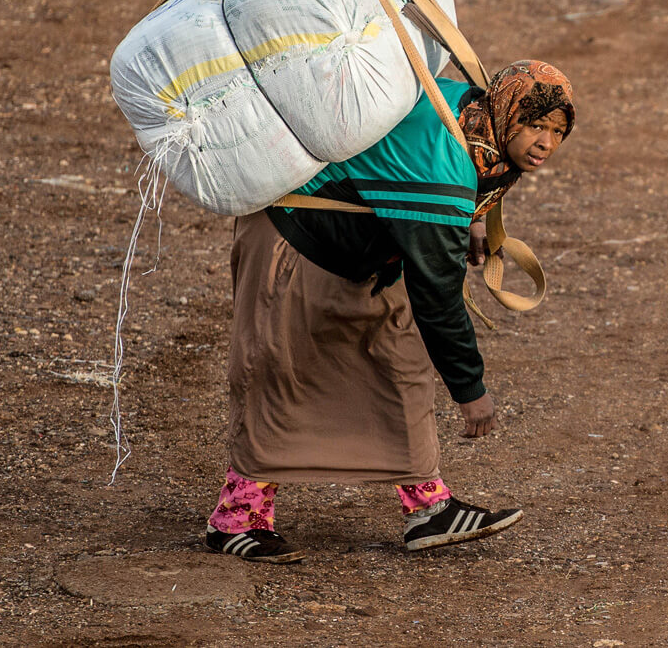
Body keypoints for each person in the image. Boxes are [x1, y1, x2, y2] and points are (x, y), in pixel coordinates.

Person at [203, 60, 576, 562]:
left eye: (557, 130)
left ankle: (428, 508)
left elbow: (411, 180)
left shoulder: (465, 108)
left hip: (363, 248)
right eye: (535, 125)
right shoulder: (443, 173)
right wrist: (470, 391)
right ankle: (236, 519)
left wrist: (464, 222)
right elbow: (438, 294)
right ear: (508, 113)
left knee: (399, 361)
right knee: (281, 373)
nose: (545, 143)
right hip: (295, 239)